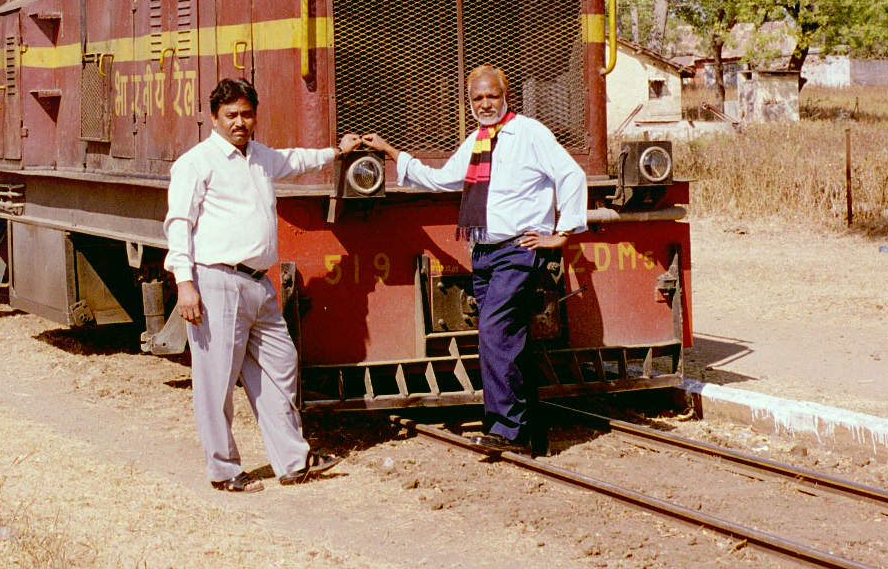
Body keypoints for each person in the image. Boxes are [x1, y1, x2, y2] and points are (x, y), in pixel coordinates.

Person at [361, 65, 587, 456]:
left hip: (518, 251)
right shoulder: (477, 142)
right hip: (484, 255)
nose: (485, 104)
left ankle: (506, 431)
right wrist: (391, 152)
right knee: (507, 340)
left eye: (492, 97)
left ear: (506, 98)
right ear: (470, 105)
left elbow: (571, 175)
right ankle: (530, 432)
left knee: (494, 336)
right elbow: (440, 179)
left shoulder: (530, 133)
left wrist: (562, 234)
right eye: (478, 99)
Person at [165, 77, 361, 492]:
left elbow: (295, 160)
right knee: (216, 382)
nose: (240, 121)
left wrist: (337, 152)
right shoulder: (196, 163)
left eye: (246, 114)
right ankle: (223, 471)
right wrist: (185, 284)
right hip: (215, 281)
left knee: (281, 365)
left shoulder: (259, 156)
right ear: (214, 118)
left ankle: (292, 460)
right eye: (231, 115)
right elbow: (179, 225)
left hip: (259, 284)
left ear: (255, 116)